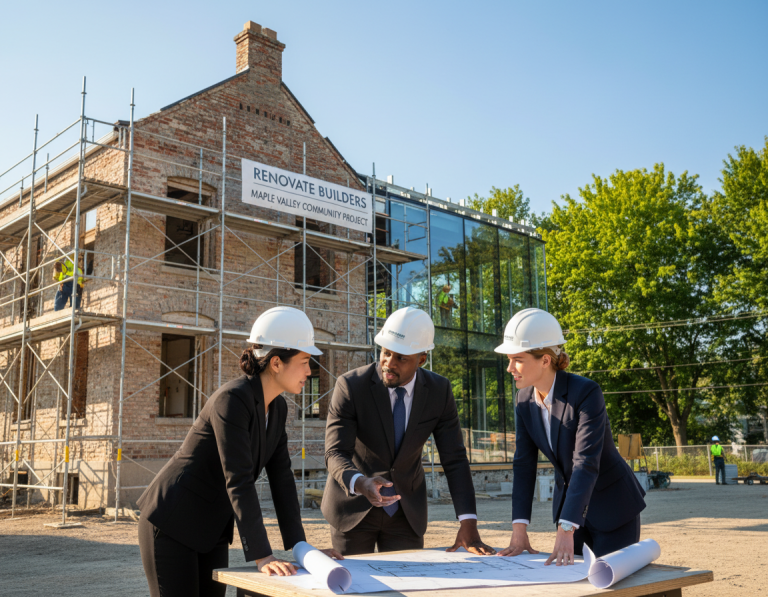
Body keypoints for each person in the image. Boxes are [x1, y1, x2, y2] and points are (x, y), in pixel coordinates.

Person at [137, 306, 341, 597]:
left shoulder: (279, 408)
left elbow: (282, 478)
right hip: (172, 522)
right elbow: (239, 479)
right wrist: (263, 556)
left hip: (211, 531)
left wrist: (303, 550)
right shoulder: (232, 400)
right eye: (305, 361)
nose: (310, 371)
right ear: (276, 363)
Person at [322, 306, 495, 556]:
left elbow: (455, 459)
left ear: (421, 359)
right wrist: (360, 483)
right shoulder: (351, 386)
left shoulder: (439, 391)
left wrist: (468, 523)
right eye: (386, 353)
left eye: (401, 358)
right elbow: (335, 452)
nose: (389, 364)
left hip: (406, 515)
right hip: (353, 511)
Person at [496, 308, 646, 565]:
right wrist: (519, 529)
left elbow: (586, 462)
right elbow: (523, 465)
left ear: (545, 360)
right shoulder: (523, 401)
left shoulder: (586, 392)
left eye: (517, 359)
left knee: (612, 586)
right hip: (569, 508)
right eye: (509, 359)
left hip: (613, 508)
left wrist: (566, 528)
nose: (510, 368)